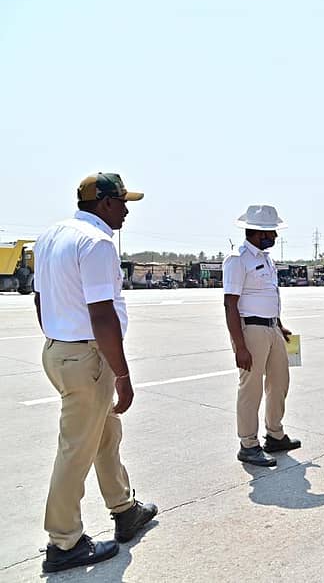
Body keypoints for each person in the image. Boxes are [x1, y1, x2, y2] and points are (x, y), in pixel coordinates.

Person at [33, 173, 157, 573]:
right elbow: (102, 315)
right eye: (122, 202)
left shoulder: (52, 235)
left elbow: (39, 298)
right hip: (87, 358)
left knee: (106, 434)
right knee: (76, 449)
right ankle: (63, 541)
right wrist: (121, 375)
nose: (125, 210)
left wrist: (57, 338)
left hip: (60, 351)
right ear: (104, 203)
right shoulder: (98, 242)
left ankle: (123, 508)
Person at [223, 204, 302, 467]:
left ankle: (275, 434)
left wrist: (279, 325)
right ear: (257, 232)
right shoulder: (238, 258)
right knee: (251, 388)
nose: (275, 238)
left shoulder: (266, 259)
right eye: (271, 233)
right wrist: (239, 346)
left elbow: (269, 295)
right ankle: (248, 444)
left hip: (272, 328)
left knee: (280, 382)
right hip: (252, 330)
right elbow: (230, 304)